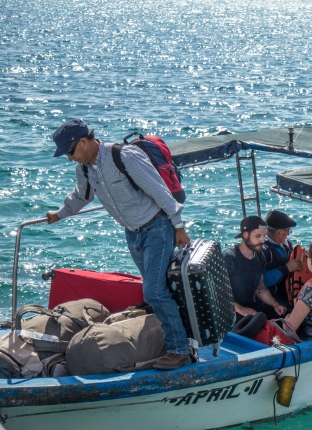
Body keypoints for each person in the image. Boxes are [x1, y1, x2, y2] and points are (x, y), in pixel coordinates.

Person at [47, 119, 192, 370]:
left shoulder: (125, 156)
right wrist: (59, 214)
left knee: (154, 292)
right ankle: (169, 339)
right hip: (133, 233)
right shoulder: (84, 169)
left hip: (157, 228)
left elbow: (159, 191)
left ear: (84, 141)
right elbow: (81, 196)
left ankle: (179, 350)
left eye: (70, 152)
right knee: (157, 290)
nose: (70, 158)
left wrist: (178, 226)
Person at [224, 216, 288, 323]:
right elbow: (218, 294)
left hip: (253, 306)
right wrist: (241, 309)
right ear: (245, 235)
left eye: (264, 236)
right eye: (258, 236)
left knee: (286, 315)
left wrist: (275, 304)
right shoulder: (229, 258)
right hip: (233, 312)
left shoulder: (260, 256)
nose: (263, 240)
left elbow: (260, 288)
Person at [261, 210, 301, 306]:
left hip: (289, 291)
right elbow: (264, 280)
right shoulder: (264, 250)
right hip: (274, 297)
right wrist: (286, 268)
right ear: (279, 232)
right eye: (288, 231)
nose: (288, 234)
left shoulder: (287, 243)